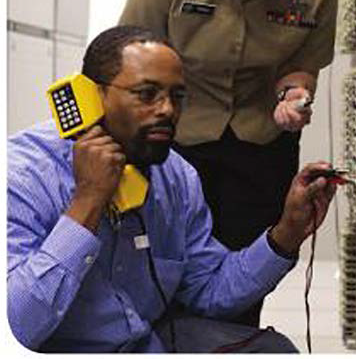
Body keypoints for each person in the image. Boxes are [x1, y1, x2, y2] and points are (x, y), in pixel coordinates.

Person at [8, 25, 338, 353]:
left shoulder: (175, 177)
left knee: (272, 349)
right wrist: (87, 202)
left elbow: (210, 291)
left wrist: (288, 233)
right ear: (90, 96)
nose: (167, 110)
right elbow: (16, 328)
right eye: (147, 94)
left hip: (146, 344)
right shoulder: (21, 178)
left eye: (176, 97)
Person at [119, 0, 338, 326]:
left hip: (260, 151)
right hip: (172, 151)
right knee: (161, 281)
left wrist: (294, 97)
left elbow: (303, 66)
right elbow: (125, 61)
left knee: (241, 289)